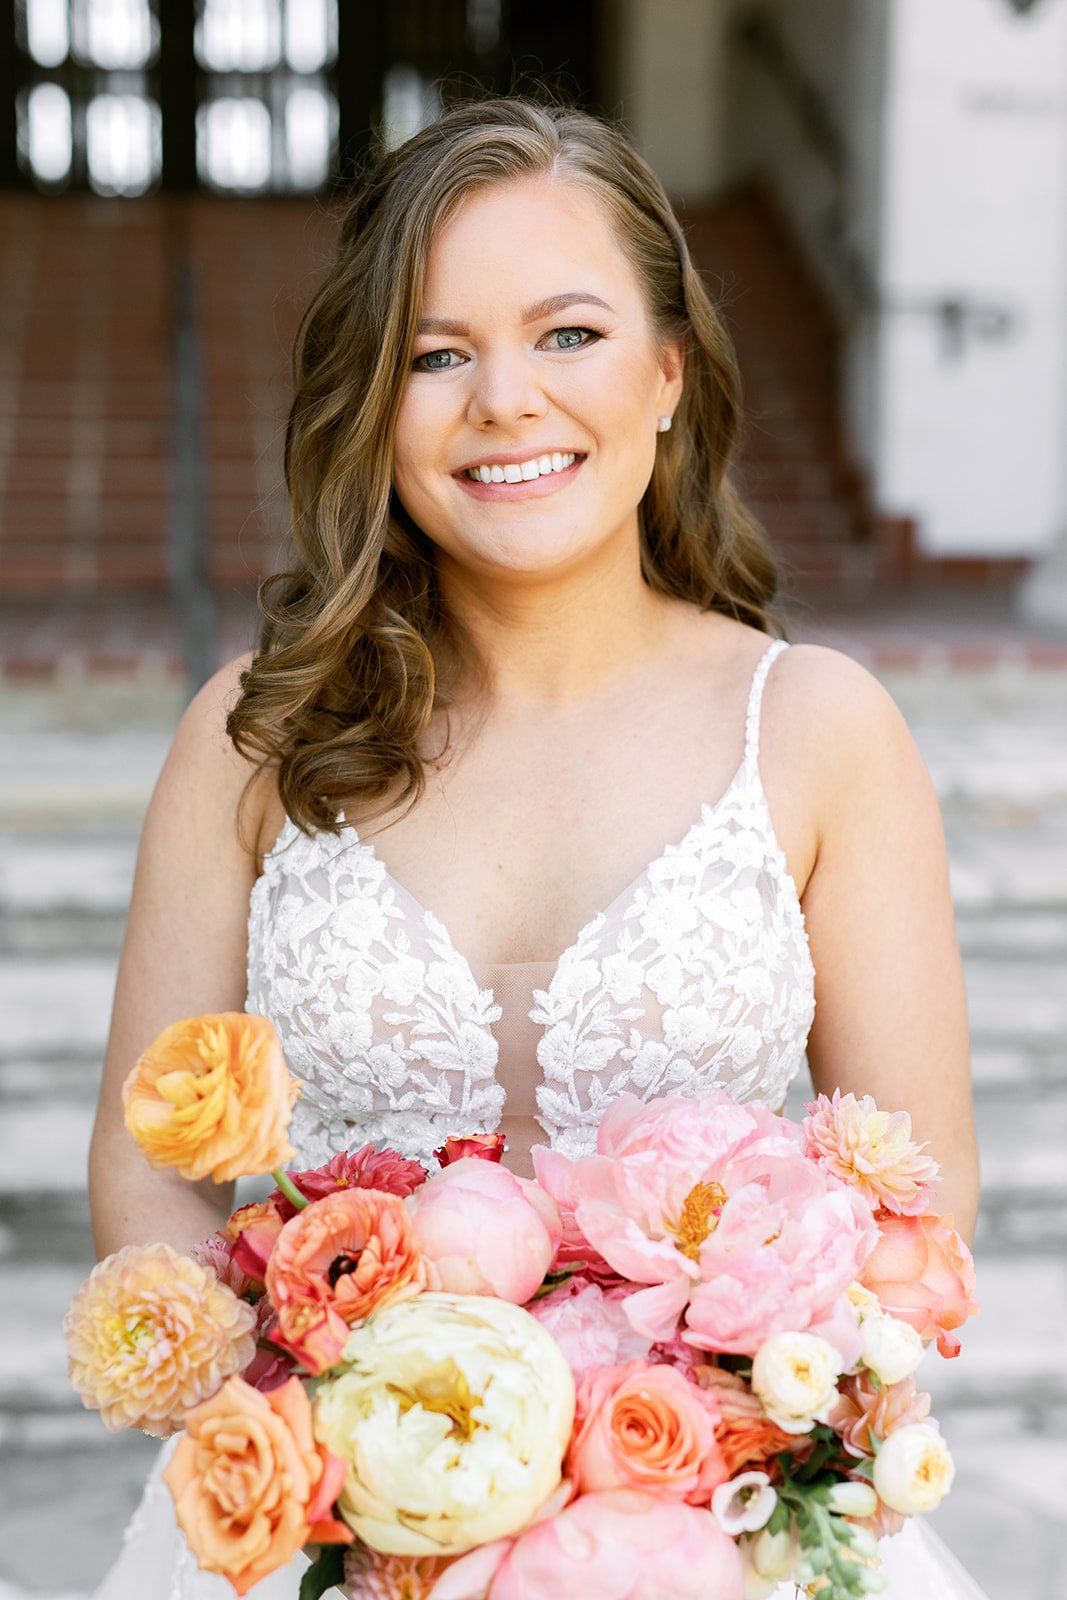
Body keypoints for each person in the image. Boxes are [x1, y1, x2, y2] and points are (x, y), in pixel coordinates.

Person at [87, 97, 984, 1599]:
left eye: (568, 334)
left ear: (671, 376)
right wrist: (315, 1448)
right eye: (436, 355)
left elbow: (919, 1192)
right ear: (372, 405)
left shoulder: (821, 732)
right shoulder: (254, 738)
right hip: (334, 1523)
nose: (504, 399)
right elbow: (153, 1167)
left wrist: (710, 1435)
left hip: (717, 1532)